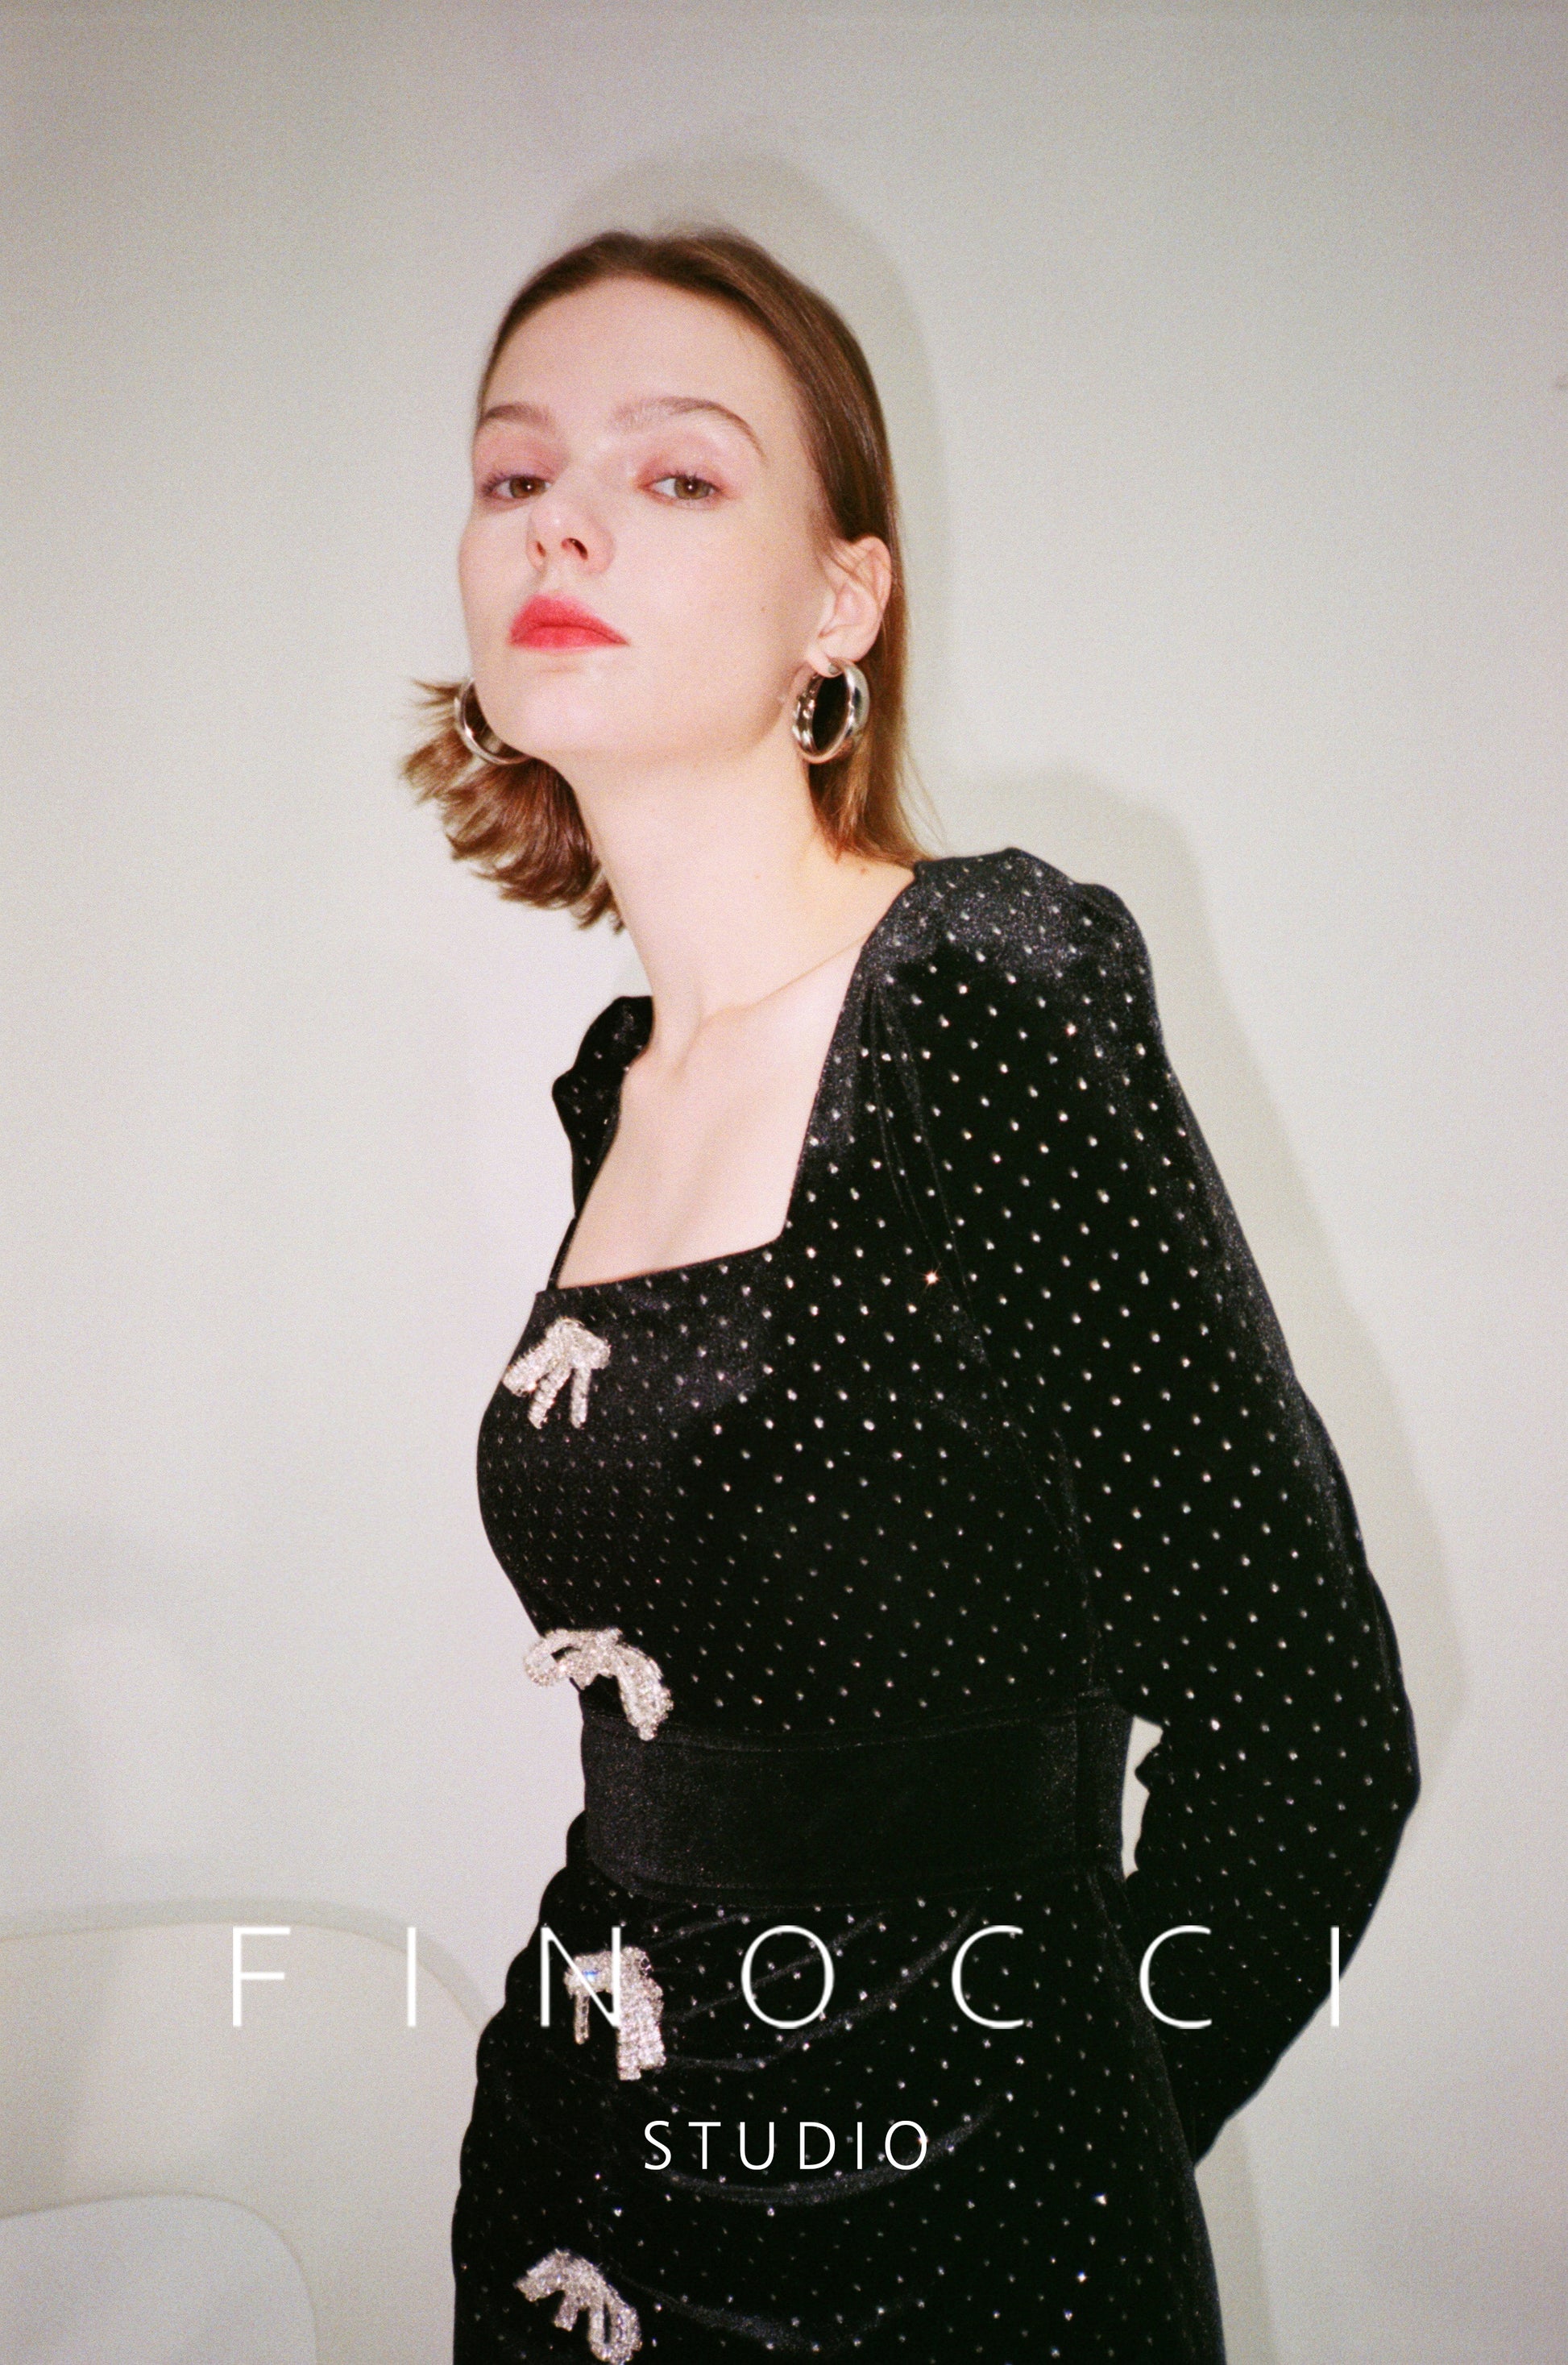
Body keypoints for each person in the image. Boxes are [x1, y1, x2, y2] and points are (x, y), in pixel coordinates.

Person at [406, 227, 1420, 2364]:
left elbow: (1305, 1735)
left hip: (955, 2282)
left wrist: (1045, 2174)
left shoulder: (977, 990)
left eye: (675, 473)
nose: (562, 519)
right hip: (579, 2204)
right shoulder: (618, 1084)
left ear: (840, 601)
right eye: (513, 473)